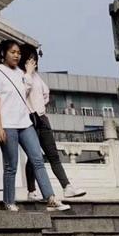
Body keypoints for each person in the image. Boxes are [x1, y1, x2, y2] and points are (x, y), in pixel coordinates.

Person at [0, 38, 70, 212]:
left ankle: (50, 198)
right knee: (11, 166)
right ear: (3, 53)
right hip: (8, 125)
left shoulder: (20, 73)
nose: (16, 56)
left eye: (18, 53)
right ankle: (9, 201)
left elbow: (26, 92)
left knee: (38, 159)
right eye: (13, 52)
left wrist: (29, 73)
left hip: (25, 123)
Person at [19, 44, 85, 201]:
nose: (33, 62)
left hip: (42, 118)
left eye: (34, 59)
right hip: (29, 119)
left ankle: (67, 187)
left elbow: (46, 93)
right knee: (34, 156)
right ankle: (31, 191)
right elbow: (22, 93)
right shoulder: (21, 75)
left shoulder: (37, 76)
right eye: (30, 59)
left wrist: (41, 106)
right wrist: (28, 73)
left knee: (53, 155)